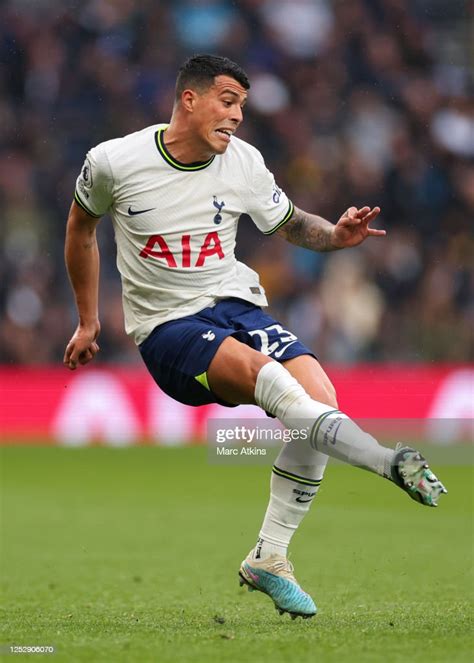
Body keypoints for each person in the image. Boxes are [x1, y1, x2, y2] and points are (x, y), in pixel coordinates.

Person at [64, 54, 447, 620]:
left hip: (238, 307)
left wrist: (336, 236)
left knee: (319, 398)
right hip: (168, 327)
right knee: (271, 383)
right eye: (227, 100)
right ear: (188, 100)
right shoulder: (114, 163)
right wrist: (88, 320)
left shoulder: (243, 163)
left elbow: (290, 223)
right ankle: (386, 460)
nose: (238, 115)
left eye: (242, 104)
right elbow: (81, 228)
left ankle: (270, 556)